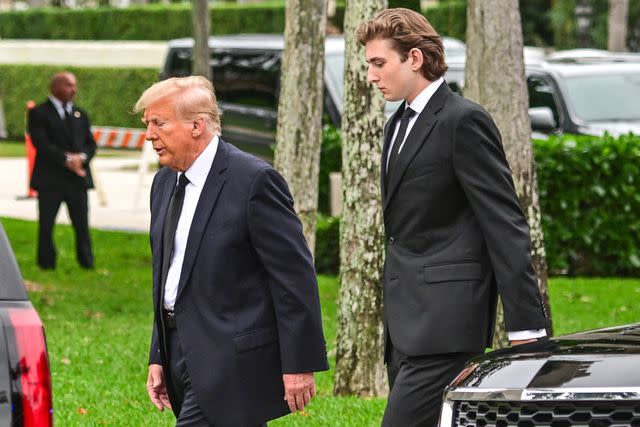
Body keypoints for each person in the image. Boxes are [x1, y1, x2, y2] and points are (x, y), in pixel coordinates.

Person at [356, 8, 549, 426]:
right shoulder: (395, 126)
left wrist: (527, 326)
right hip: (405, 326)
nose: (371, 75)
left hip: (447, 322)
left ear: (414, 58)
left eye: (378, 63)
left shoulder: (464, 120)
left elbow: (504, 223)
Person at [134, 76, 328, 427]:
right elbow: (169, 277)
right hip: (180, 348)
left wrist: (299, 363)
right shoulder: (164, 182)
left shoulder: (253, 181)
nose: (149, 135)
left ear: (197, 125)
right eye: (147, 124)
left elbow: (293, 278)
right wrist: (158, 354)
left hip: (233, 359)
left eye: (158, 123)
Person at [28, 72, 96, 270]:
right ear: (55, 87)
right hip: (51, 180)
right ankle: (46, 263)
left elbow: (90, 144)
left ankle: (87, 263)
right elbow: (40, 142)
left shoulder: (80, 114)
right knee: (47, 225)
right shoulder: (39, 113)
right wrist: (66, 159)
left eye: (74, 85)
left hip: (77, 181)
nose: (73, 90)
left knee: (82, 224)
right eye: (68, 85)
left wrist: (81, 158)